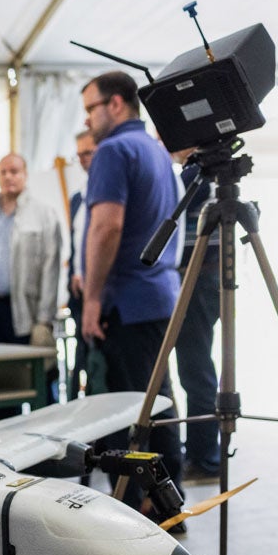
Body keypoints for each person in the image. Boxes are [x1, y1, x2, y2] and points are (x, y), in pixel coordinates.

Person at [78, 71, 185, 517]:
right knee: (159, 401)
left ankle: (137, 506)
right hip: (159, 295)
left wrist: (92, 298)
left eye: (91, 108)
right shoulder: (156, 150)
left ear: (116, 103)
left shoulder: (115, 150)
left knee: (130, 411)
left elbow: (107, 227)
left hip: (127, 298)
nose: (88, 119)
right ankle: (167, 501)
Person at [0, 153, 61, 415]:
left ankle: (43, 447)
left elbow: (50, 268)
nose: (9, 177)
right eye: (3, 172)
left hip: (26, 314)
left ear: (25, 174)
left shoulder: (43, 214)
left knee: (38, 387)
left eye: (14, 171)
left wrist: (44, 319)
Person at [172, 153, 221, 484]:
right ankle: (202, 453)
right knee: (196, 368)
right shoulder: (200, 173)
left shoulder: (198, 174)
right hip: (201, 277)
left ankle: (205, 459)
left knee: (196, 370)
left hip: (198, 277)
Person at [66, 130, 95, 399]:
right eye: (80, 155)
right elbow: (77, 241)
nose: (84, 159)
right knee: (81, 357)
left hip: (102, 292)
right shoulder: (78, 197)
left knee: (98, 365)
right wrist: (77, 272)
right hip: (80, 293)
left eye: (88, 152)